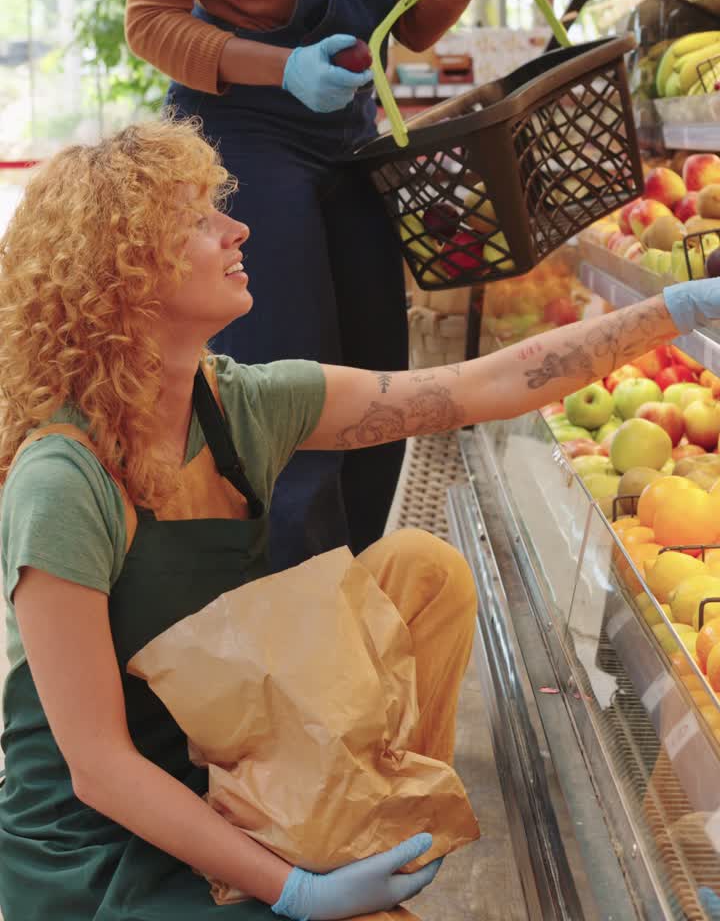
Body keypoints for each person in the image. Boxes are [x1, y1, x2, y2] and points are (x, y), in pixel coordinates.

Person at [1, 119, 719, 921]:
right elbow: (97, 767)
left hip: (233, 770)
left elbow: (477, 387)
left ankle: (384, 827)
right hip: (100, 842)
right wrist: (295, 891)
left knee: (421, 570)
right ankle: (343, 875)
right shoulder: (63, 480)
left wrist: (671, 310)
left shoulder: (239, 404)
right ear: (126, 271)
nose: (238, 228)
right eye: (199, 219)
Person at [125, 0, 562, 571]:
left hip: (351, 143)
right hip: (240, 142)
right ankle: (281, 613)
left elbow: (418, 26)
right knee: (281, 390)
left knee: (378, 382)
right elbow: (150, 24)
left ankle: (356, 587)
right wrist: (276, 69)